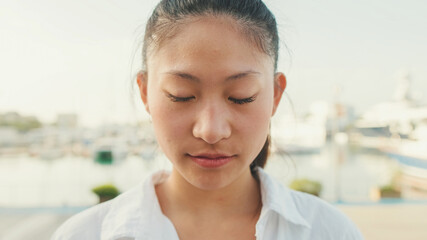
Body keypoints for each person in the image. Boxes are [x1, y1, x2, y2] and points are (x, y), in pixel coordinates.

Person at [52, 0, 364, 239]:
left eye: (241, 96)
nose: (211, 130)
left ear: (275, 95)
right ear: (145, 93)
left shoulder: (329, 232)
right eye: (181, 95)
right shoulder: (84, 235)